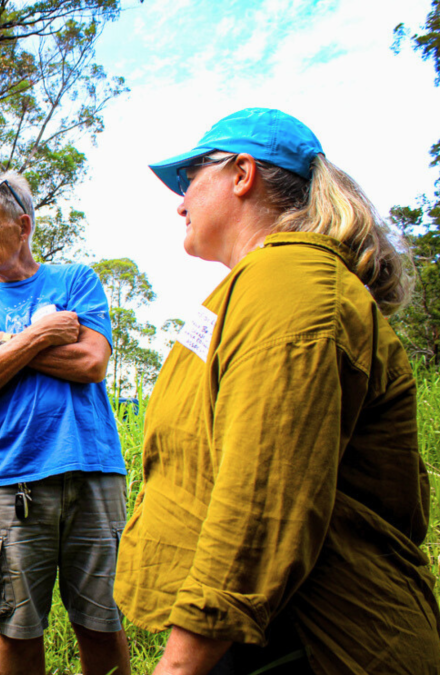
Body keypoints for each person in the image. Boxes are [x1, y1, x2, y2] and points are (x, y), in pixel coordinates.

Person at [115, 108, 440, 674]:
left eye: (190, 178)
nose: (180, 201)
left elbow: (260, 498)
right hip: (269, 635)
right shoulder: (258, 285)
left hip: (311, 643)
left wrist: (179, 666)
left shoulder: (289, 285)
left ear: (242, 175)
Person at [0, 171, 131, 675]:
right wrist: (40, 335)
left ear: (22, 225)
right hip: (9, 480)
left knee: (102, 621)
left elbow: (91, 363)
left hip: (93, 471)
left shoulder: (76, 280)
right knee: (18, 629)